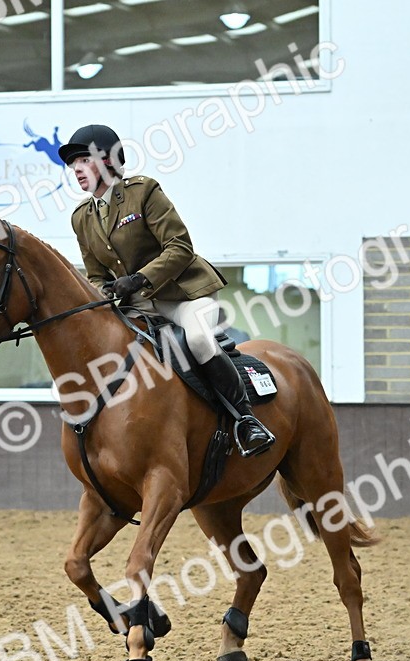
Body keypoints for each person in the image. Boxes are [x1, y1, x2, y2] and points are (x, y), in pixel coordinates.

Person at [59, 124, 275, 457]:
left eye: (83, 160)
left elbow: (179, 247)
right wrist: (105, 295)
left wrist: (139, 279)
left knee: (200, 341)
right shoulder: (81, 218)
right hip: (137, 305)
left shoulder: (142, 191)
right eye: (73, 164)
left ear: (107, 161)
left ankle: (245, 421)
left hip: (183, 294)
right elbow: (96, 274)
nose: (76, 170)